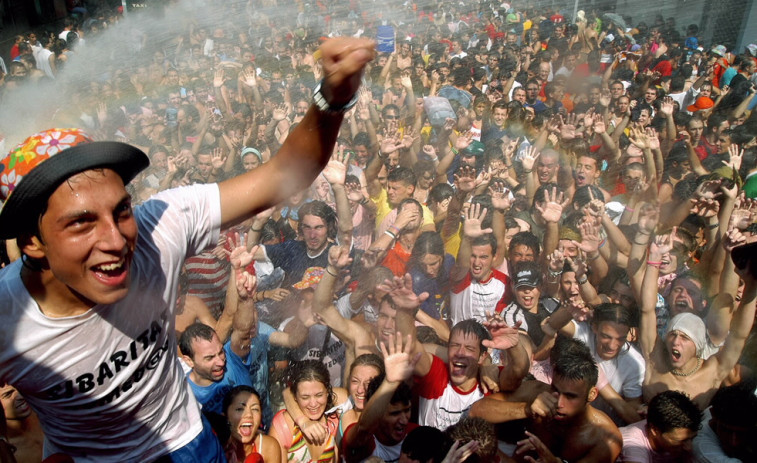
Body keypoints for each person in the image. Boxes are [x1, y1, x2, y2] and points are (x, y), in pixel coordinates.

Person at [0, 36, 375, 461]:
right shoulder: (7, 319)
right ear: (32, 241)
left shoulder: (159, 223)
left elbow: (285, 173)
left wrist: (331, 98)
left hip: (189, 445)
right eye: (82, 222)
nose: (116, 239)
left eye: (121, 210)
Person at [341, 334, 418, 463]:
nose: (404, 420)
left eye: (407, 410)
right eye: (395, 413)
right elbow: (363, 428)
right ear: (378, 413)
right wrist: (390, 381)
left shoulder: (417, 435)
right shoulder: (365, 441)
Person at [269, 360, 347, 463]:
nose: (313, 404)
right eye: (305, 397)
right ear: (295, 397)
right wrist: (303, 422)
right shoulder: (283, 426)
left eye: (319, 395)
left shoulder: (336, 418)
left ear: (328, 392)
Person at [179, 322, 253, 415]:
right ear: (189, 361)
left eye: (221, 352)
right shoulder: (186, 395)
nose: (221, 363)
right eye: (210, 358)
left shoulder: (232, 357)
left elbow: (244, 327)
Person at [620, 390, 702, 463]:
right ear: (655, 430)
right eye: (681, 441)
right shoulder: (633, 445)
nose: (689, 447)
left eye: (692, 438)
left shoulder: (668, 429)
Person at [223, 386, 282, 463]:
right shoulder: (215, 446)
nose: (249, 414)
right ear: (225, 416)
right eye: (240, 409)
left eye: (255, 409)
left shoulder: (269, 447)